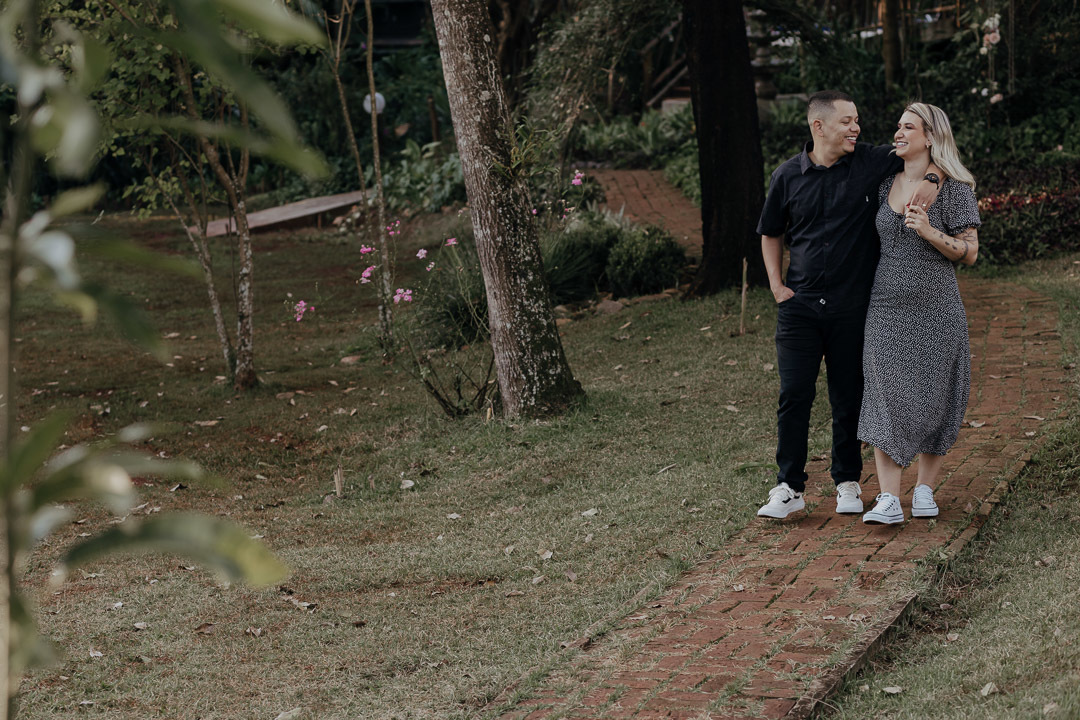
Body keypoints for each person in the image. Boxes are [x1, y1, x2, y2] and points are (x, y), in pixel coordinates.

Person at [755, 90, 938, 520]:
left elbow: (928, 155)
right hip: (799, 307)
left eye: (857, 120)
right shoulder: (786, 175)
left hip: (852, 305)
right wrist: (776, 285)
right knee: (794, 394)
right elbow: (770, 231)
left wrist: (931, 182)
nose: (856, 127)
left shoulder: (870, 163)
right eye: (847, 121)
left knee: (848, 395)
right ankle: (788, 487)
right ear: (818, 127)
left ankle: (847, 482)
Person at [858, 103, 980, 524]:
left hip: (937, 307)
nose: (898, 132)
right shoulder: (883, 182)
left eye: (907, 126)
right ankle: (889, 500)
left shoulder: (955, 187)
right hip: (885, 307)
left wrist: (929, 231)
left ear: (929, 136)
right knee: (883, 393)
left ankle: (925, 490)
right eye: (897, 125)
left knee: (936, 395)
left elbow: (970, 253)